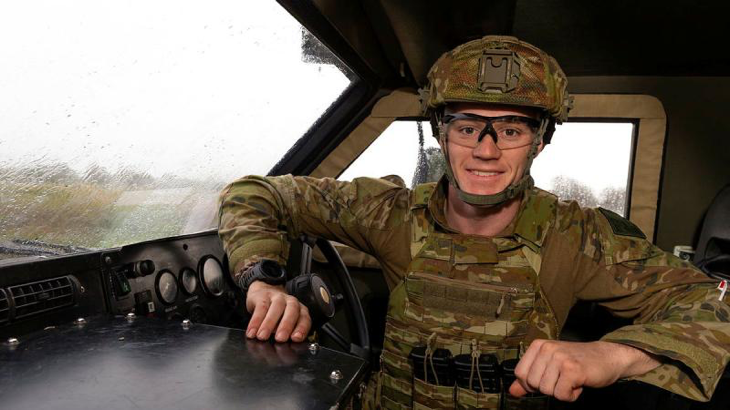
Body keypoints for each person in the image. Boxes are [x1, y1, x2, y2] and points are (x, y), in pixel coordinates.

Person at [217, 35, 730, 408]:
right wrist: (262, 280)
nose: (485, 150)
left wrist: (610, 356)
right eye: (468, 126)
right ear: (442, 133)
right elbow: (256, 193)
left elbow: (715, 304)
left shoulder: (578, 236)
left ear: (541, 139)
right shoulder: (389, 211)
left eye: (510, 129)